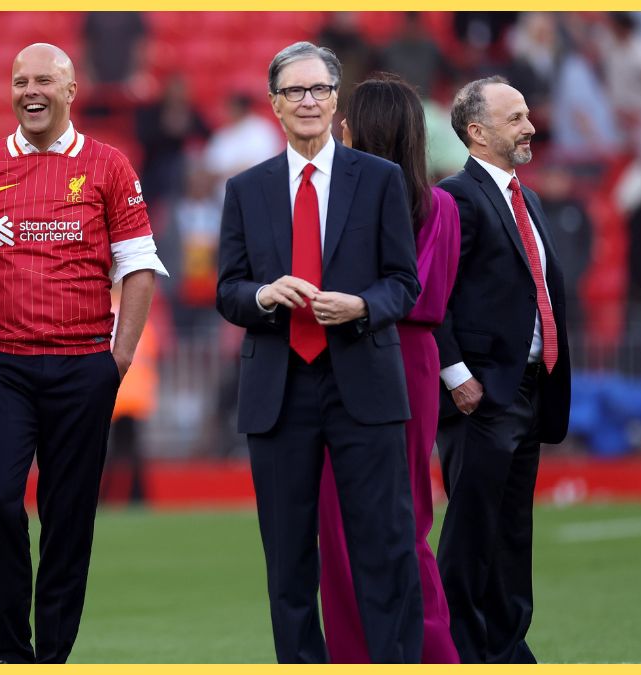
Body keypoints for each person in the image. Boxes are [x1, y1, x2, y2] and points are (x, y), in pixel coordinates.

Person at [0, 43, 166, 664]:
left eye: (43, 80)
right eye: (20, 81)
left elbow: (139, 266)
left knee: (69, 517)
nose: (30, 91)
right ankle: (12, 652)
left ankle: (53, 657)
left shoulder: (109, 166)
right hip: (1, 364)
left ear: (70, 90)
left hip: (82, 365)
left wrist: (118, 360)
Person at [214, 42, 422, 663]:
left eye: (320, 90)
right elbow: (228, 290)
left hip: (364, 380)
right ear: (274, 104)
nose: (308, 101)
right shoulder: (245, 189)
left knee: (385, 549)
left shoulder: (379, 179)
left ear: (336, 101)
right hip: (279, 390)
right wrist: (264, 296)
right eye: (294, 91)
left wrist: (361, 306)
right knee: (288, 561)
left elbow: (403, 283)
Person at [315, 74, 460, 664]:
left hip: (366, 353)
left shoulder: (362, 203)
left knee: (358, 518)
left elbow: (403, 291)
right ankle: (418, 650)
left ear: (356, 130)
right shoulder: (438, 204)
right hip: (407, 358)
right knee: (396, 517)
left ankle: (393, 652)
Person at [434, 75, 571, 664]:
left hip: (529, 388)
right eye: (515, 118)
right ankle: (456, 651)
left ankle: (508, 648)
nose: (530, 126)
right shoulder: (454, 197)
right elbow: (432, 293)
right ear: (477, 131)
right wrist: (456, 374)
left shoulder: (526, 198)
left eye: (526, 115)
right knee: (471, 533)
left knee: (513, 531)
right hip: (482, 394)